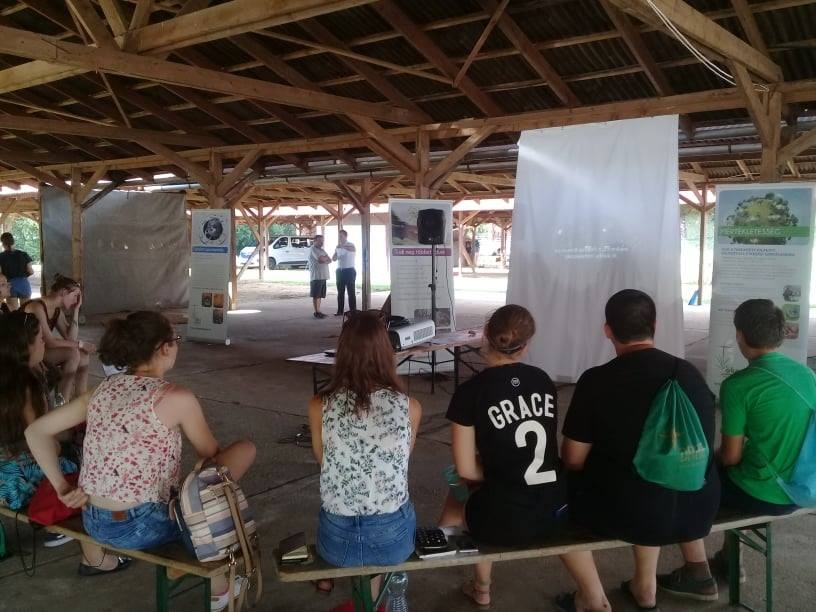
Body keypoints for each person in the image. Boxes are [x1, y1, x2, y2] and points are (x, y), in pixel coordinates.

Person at [25, 311, 256, 610]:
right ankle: (218, 585)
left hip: (95, 520)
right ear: (164, 347)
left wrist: (61, 487)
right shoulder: (175, 396)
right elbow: (210, 457)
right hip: (143, 524)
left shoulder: (103, 389)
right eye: (175, 339)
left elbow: (36, 432)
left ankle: (203, 576)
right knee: (245, 451)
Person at [556, 289, 720, 612]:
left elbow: (573, 459)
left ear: (607, 331)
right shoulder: (688, 373)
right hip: (699, 507)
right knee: (649, 475)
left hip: (628, 512)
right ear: (654, 325)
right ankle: (646, 587)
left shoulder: (597, 381)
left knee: (554, 495)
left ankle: (592, 598)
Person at [660, 299, 813, 596]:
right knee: (738, 471)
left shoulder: (739, 385)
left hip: (768, 494)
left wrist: (705, 463)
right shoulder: (806, 374)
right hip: (806, 486)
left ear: (740, 335)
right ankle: (731, 559)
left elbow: (731, 457)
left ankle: (697, 573)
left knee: (685, 483)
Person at [439, 304, 566, 608]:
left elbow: (465, 469)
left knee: (458, 481)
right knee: (480, 485)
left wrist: (497, 470)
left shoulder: (471, 392)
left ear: (486, 334)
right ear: (526, 345)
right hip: (555, 510)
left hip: (501, 520)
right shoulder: (543, 381)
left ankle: (461, 563)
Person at [308, 310, 422, 609]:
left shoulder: (320, 405)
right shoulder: (409, 407)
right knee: (395, 508)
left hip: (336, 541)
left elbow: (324, 460)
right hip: (392, 539)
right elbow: (399, 461)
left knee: (344, 516)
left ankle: (368, 594)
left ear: (342, 353)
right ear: (386, 352)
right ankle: (388, 587)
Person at [0, 311, 115, 557]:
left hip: (4, 470)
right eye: (41, 339)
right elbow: (40, 439)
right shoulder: (25, 384)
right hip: (15, 481)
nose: (45, 344)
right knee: (88, 459)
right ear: (25, 347)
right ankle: (61, 523)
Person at [23, 274, 94, 402]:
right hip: (27, 352)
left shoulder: (57, 310)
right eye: (75, 296)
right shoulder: (37, 307)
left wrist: (76, 310)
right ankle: (62, 402)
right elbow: (50, 342)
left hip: (41, 349)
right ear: (63, 292)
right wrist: (81, 344)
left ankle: (81, 398)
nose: (76, 300)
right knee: (73, 354)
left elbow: (70, 338)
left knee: (83, 354)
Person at [0, 232, 34, 311]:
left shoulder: (1, 256)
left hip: (10, 285)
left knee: (13, 311)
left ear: (3, 243)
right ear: (13, 241)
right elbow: (31, 271)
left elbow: (0, 274)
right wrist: (23, 276)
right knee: (25, 310)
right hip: (24, 284)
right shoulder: (24, 254)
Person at [332, 229, 357, 316]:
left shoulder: (351, 244)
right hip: (340, 271)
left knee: (351, 292)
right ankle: (340, 311)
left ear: (346, 236)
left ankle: (353, 311)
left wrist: (343, 246)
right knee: (340, 292)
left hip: (349, 270)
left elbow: (353, 249)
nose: (340, 238)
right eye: (339, 236)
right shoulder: (338, 246)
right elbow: (334, 259)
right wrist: (336, 252)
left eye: (341, 236)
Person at [308, 234, 331, 319]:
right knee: (316, 295)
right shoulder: (313, 249)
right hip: (316, 276)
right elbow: (320, 259)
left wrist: (324, 258)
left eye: (322, 241)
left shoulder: (322, 250)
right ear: (314, 241)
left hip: (323, 276)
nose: (321, 242)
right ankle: (316, 312)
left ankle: (319, 311)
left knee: (320, 295)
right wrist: (324, 258)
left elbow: (330, 260)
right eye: (320, 241)